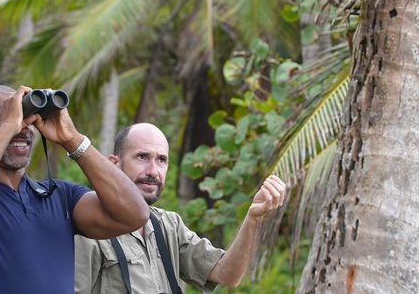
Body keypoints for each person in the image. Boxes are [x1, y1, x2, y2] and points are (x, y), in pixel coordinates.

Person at [0, 85, 150, 294]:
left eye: (27, 120)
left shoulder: (60, 197)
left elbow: (135, 214)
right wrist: (8, 126)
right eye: (4, 118)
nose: (22, 128)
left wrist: (72, 139)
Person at [75, 123, 287, 293]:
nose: (153, 171)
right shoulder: (89, 229)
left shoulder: (168, 225)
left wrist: (253, 218)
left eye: (161, 160)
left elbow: (227, 275)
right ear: (114, 164)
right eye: (142, 157)